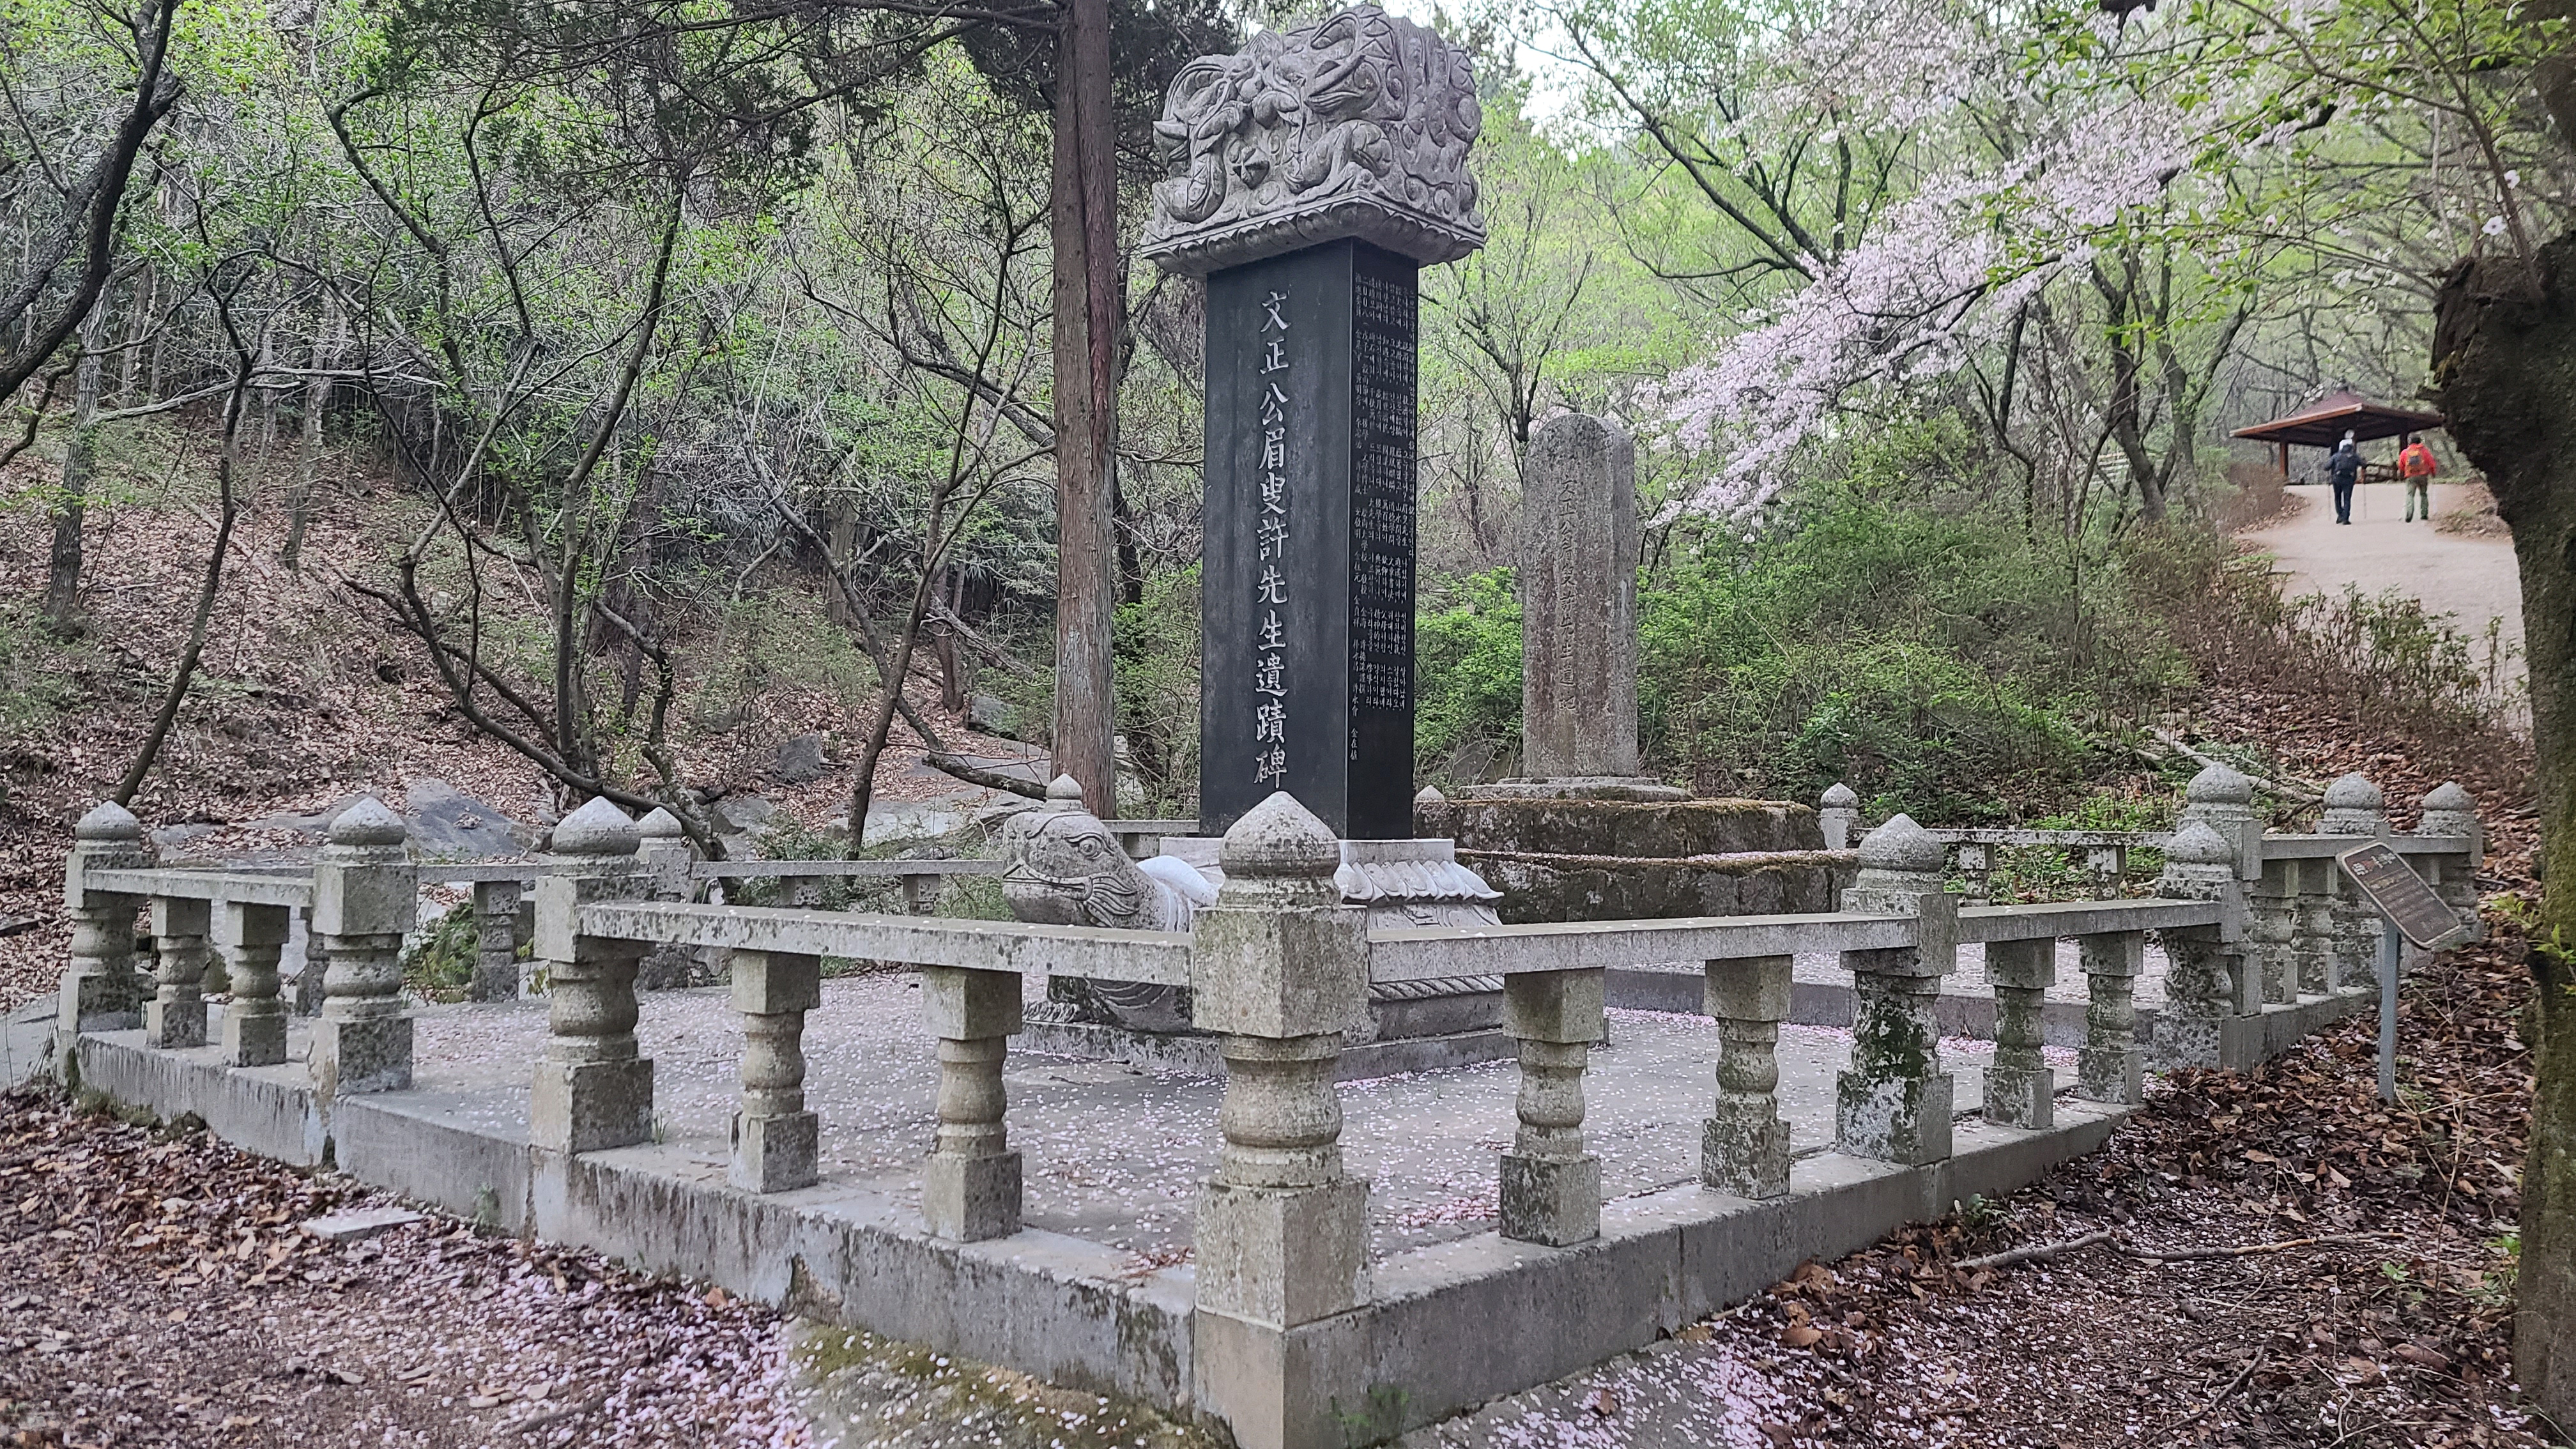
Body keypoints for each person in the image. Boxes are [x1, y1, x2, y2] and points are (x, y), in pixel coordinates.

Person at [2398, 433, 2439, 522]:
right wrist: (2433, 473)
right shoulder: (2424, 451)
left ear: (2409, 442)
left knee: (2410, 495)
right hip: (2423, 475)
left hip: (2410, 476)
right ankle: (2424, 514)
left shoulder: (2405, 452)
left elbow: (2401, 465)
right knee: (2423, 494)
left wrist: (2402, 474)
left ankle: (2409, 514)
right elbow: (2432, 463)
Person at [2327, 431, 2362, 525]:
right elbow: (2364, 464)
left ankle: (2340, 515)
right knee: (2347, 499)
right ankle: (2345, 518)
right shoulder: (2354, 456)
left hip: (2337, 479)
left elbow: (2326, 467)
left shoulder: (2336, 456)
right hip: (2349, 479)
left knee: (2337, 498)